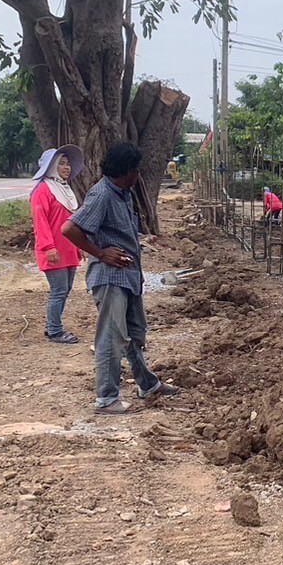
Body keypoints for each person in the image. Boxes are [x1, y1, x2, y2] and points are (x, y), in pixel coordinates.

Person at [61, 141, 182, 414]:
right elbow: (69, 229)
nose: (138, 175)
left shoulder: (122, 193)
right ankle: (106, 398)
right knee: (111, 337)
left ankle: (147, 384)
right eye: (136, 170)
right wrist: (100, 253)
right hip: (110, 278)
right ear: (126, 171)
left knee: (135, 334)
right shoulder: (102, 195)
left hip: (128, 277)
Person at [29, 145, 86, 344]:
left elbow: (72, 221)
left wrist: (79, 245)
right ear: (51, 166)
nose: (66, 167)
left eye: (68, 164)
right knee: (58, 290)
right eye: (61, 163)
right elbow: (40, 221)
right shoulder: (42, 190)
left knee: (66, 289)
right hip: (53, 250)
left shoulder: (65, 189)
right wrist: (48, 247)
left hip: (68, 248)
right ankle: (54, 331)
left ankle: (52, 326)